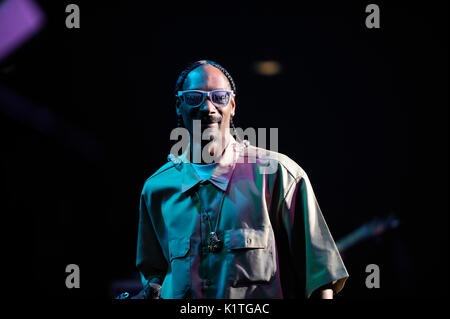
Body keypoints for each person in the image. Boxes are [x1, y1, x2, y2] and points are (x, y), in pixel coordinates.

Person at [135, 60, 348, 299]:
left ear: (232, 104)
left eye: (219, 97)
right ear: (178, 105)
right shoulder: (157, 189)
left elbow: (319, 280)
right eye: (195, 97)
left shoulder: (278, 175)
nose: (208, 107)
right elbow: (154, 280)